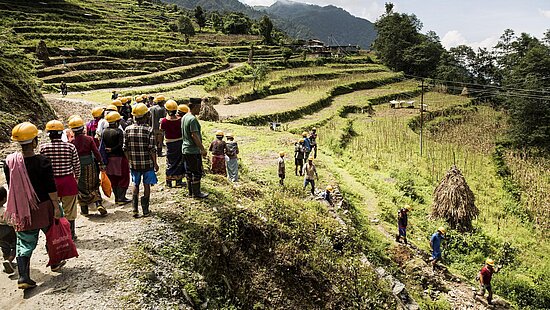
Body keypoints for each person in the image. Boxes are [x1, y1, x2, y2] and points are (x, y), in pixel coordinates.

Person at [4, 122, 64, 289]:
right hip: (44, 207)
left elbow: (11, 185)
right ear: (35, 142)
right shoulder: (42, 161)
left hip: (23, 208)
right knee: (51, 234)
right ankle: (55, 263)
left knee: (24, 241)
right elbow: (50, 187)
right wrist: (56, 206)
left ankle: (23, 277)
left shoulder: (10, 162)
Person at [39, 120, 80, 241]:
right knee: (70, 211)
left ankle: (58, 235)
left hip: (51, 185)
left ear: (49, 134)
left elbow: (42, 168)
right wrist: (76, 178)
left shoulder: (43, 148)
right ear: (61, 133)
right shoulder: (70, 147)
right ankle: (71, 234)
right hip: (68, 182)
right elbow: (77, 166)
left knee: (54, 211)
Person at [124, 103, 159, 218]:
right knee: (147, 185)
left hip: (134, 164)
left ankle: (134, 209)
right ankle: (145, 209)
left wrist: (129, 160)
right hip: (147, 163)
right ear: (145, 116)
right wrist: (155, 163)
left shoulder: (127, 130)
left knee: (135, 183)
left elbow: (125, 148)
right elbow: (152, 150)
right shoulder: (149, 130)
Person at [69, 116, 107, 216]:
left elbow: (71, 157)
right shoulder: (89, 139)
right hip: (90, 165)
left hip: (78, 166)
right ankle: (98, 203)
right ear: (82, 129)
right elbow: (96, 152)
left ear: (73, 131)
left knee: (81, 187)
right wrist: (101, 163)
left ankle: (84, 209)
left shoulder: (72, 142)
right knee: (94, 184)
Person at [102, 111, 131, 205]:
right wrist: (113, 149)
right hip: (119, 157)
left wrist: (109, 150)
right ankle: (122, 197)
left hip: (109, 159)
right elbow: (120, 145)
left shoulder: (104, 131)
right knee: (124, 177)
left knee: (113, 179)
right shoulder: (119, 131)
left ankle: (117, 198)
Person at [182, 98, 208, 198]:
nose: (200, 110)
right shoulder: (192, 119)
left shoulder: (185, 117)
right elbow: (194, 136)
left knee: (189, 171)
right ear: (196, 106)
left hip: (185, 149)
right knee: (197, 172)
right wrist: (202, 149)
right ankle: (196, 193)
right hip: (192, 150)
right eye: (200, 107)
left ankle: (190, 192)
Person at [160, 100, 184, 188]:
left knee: (170, 161)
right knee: (179, 161)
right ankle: (178, 181)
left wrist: (160, 143)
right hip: (180, 142)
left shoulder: (164, 121)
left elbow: (161, 132)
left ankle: (169, 181)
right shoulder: (180, 120)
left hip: (170, 143)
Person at [0, 186, 16, 274]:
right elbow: (10, 222)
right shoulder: (4, 211)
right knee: (15, 246)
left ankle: (6, 260)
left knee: (4, 247)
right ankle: (9, 261)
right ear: (4, 199)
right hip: (8, 231)